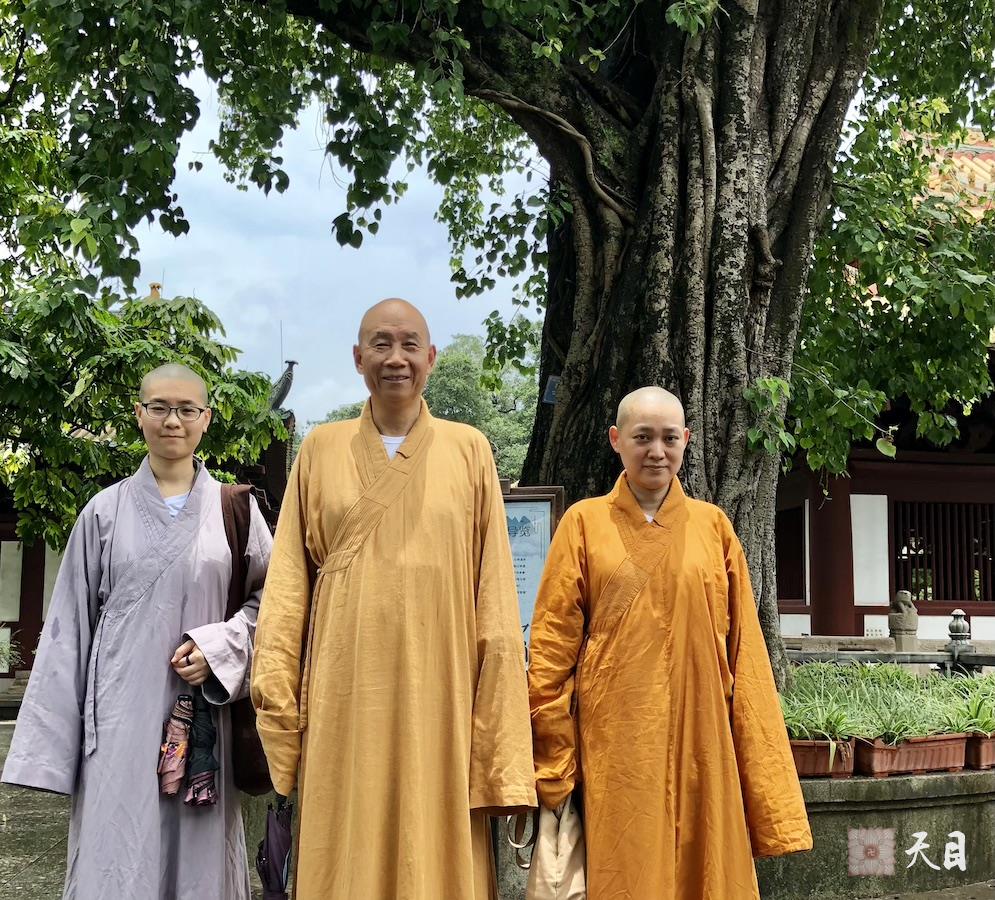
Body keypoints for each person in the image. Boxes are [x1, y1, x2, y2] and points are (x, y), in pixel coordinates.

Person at [251, 298, 536, 899]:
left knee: (437, 860)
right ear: (358, 359)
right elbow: (284, 600)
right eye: (381, 344)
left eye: (410, 345)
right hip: (343, 704)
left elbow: (498, 609)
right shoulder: (320, 451)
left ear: (431, 357)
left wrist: (502, 748)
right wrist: (280, 714)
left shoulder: (469, 450)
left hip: (445, 703)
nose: (396, 358)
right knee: (344, 855)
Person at [527, 386, 812, 899]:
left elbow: (745, 656)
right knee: (628, 871)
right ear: (617, 441)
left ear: (687, 441)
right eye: (642, 438)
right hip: (617, 742)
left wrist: (761, 776)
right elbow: (551, 651)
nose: (656, 451)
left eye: (668, 438)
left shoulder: (714, 527)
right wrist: (555, 760)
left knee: (706, 868)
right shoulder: (583, 524)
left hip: (703, 734)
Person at [1, 363, 272, 900]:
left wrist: (220, 648)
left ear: (206, 420)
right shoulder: (103, 512)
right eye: (160, 408)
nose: (173, 421)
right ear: (139, 415)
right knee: (118, 850)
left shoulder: (235, 511)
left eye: (187, 410)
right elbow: (67, 630)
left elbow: (276, 605)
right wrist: (55, 749)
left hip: (204, 720)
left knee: (199, 859)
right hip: (120, 717)